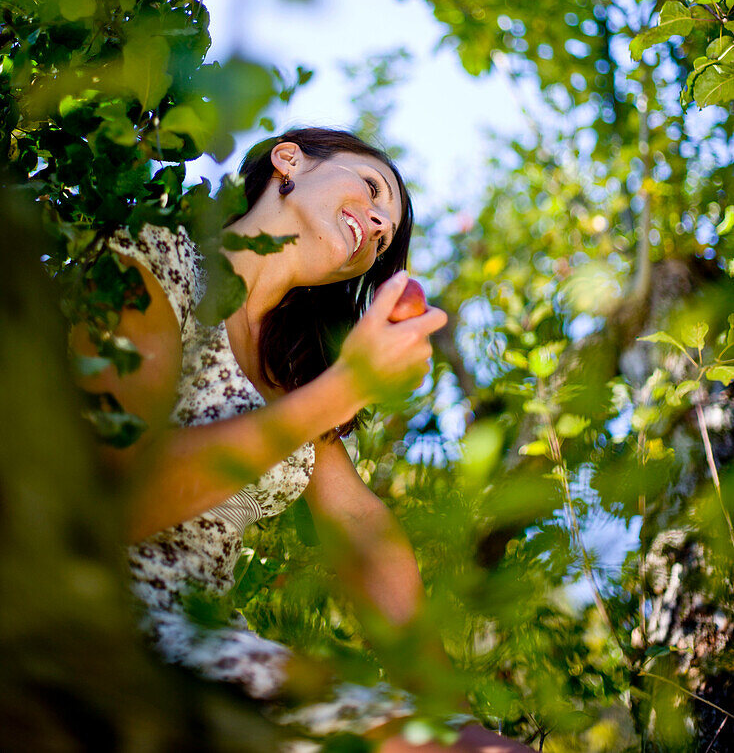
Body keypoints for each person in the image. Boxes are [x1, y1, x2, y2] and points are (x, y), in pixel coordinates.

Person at [75, 127, 530, 753]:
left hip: (209, 641)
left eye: (386, 234)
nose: (375, 225)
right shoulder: (156, 254)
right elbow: (102, 501)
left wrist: (441, 701)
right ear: (289, 160)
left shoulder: (294, 374)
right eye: (372, 189)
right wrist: (340, 392)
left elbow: (360, 528)